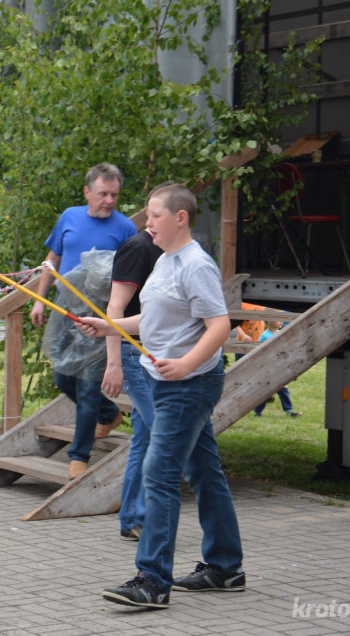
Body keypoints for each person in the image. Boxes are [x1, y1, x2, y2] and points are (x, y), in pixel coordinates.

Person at [77, 183, 245, 609]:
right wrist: (107, 326)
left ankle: (152, 581)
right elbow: (150, 318)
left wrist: (186, 364)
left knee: (159, 472)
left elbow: (220, 325)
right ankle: (225, 567)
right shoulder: (166, 261)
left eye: (154, 216)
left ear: (180, 218)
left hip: (189, 385)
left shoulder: (195, 265)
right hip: (165, 381)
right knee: (204, 472)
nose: (147, 223)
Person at [31, 163, 137, 479]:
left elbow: (134, 274)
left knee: (89, 387)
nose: (109, 201)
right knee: (63, 376)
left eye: (114, 195)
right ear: (87, 192)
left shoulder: (125, 228)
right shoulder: (69, 217)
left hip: (101, 316)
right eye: (103, 194)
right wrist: (39, 299)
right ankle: (109, 414)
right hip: (65, 311)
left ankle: (78, 457)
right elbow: (52, 260)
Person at [101, 182, 168, 541]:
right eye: (152, 214)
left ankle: (133, 517)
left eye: (160, 215)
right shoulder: (137, 247)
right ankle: (146, 517)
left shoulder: (168, 250)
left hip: (158, 351)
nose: (153, 221)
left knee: (144, 436)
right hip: (134, 350)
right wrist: (114, 363)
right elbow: (115, 308)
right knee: (162, 432)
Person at [253, 320, 300, 417]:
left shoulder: (280, 333)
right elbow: (258, 352)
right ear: (270, 321)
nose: (281, 322)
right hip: (268, 368)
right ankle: (258, 411)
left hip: (279, 366)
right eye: (278, 320)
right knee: (265, 390)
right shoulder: (264, 336)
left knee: (283, 389)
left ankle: (289, 410)